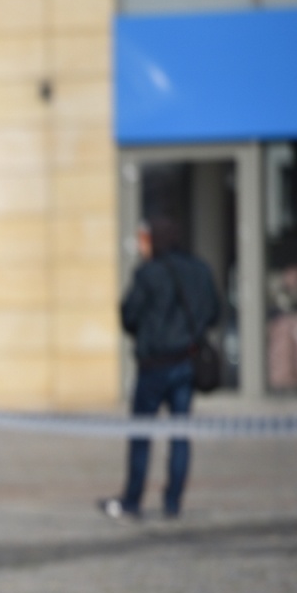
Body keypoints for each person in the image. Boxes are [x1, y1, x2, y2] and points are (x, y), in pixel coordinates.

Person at [102, 216, 221, 521]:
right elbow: (214, 311)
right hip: (185, 363)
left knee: (141, 435)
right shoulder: (199, 269)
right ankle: (172, 502)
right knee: (180, 434)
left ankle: (133, 499)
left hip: (154, 366)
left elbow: (128, 315)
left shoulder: (149, 273)